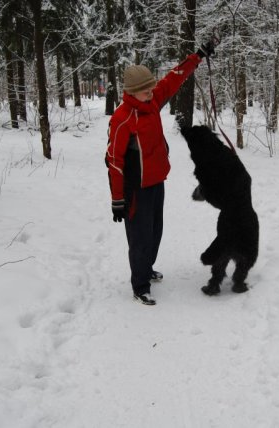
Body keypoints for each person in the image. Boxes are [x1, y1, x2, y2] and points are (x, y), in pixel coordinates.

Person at [105, 40, 216, 306]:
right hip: (136, 187)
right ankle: (139, 284)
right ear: (132, 93)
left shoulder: (152, 101)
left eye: (152, 89)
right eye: (145, 91)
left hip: (157, 181)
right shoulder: (122, 119)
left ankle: (147, 268)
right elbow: (114, 162)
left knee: (155, 231)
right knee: (140, 236)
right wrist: (117, 200)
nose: (152, 93)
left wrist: (197, 57)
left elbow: (175, 78)